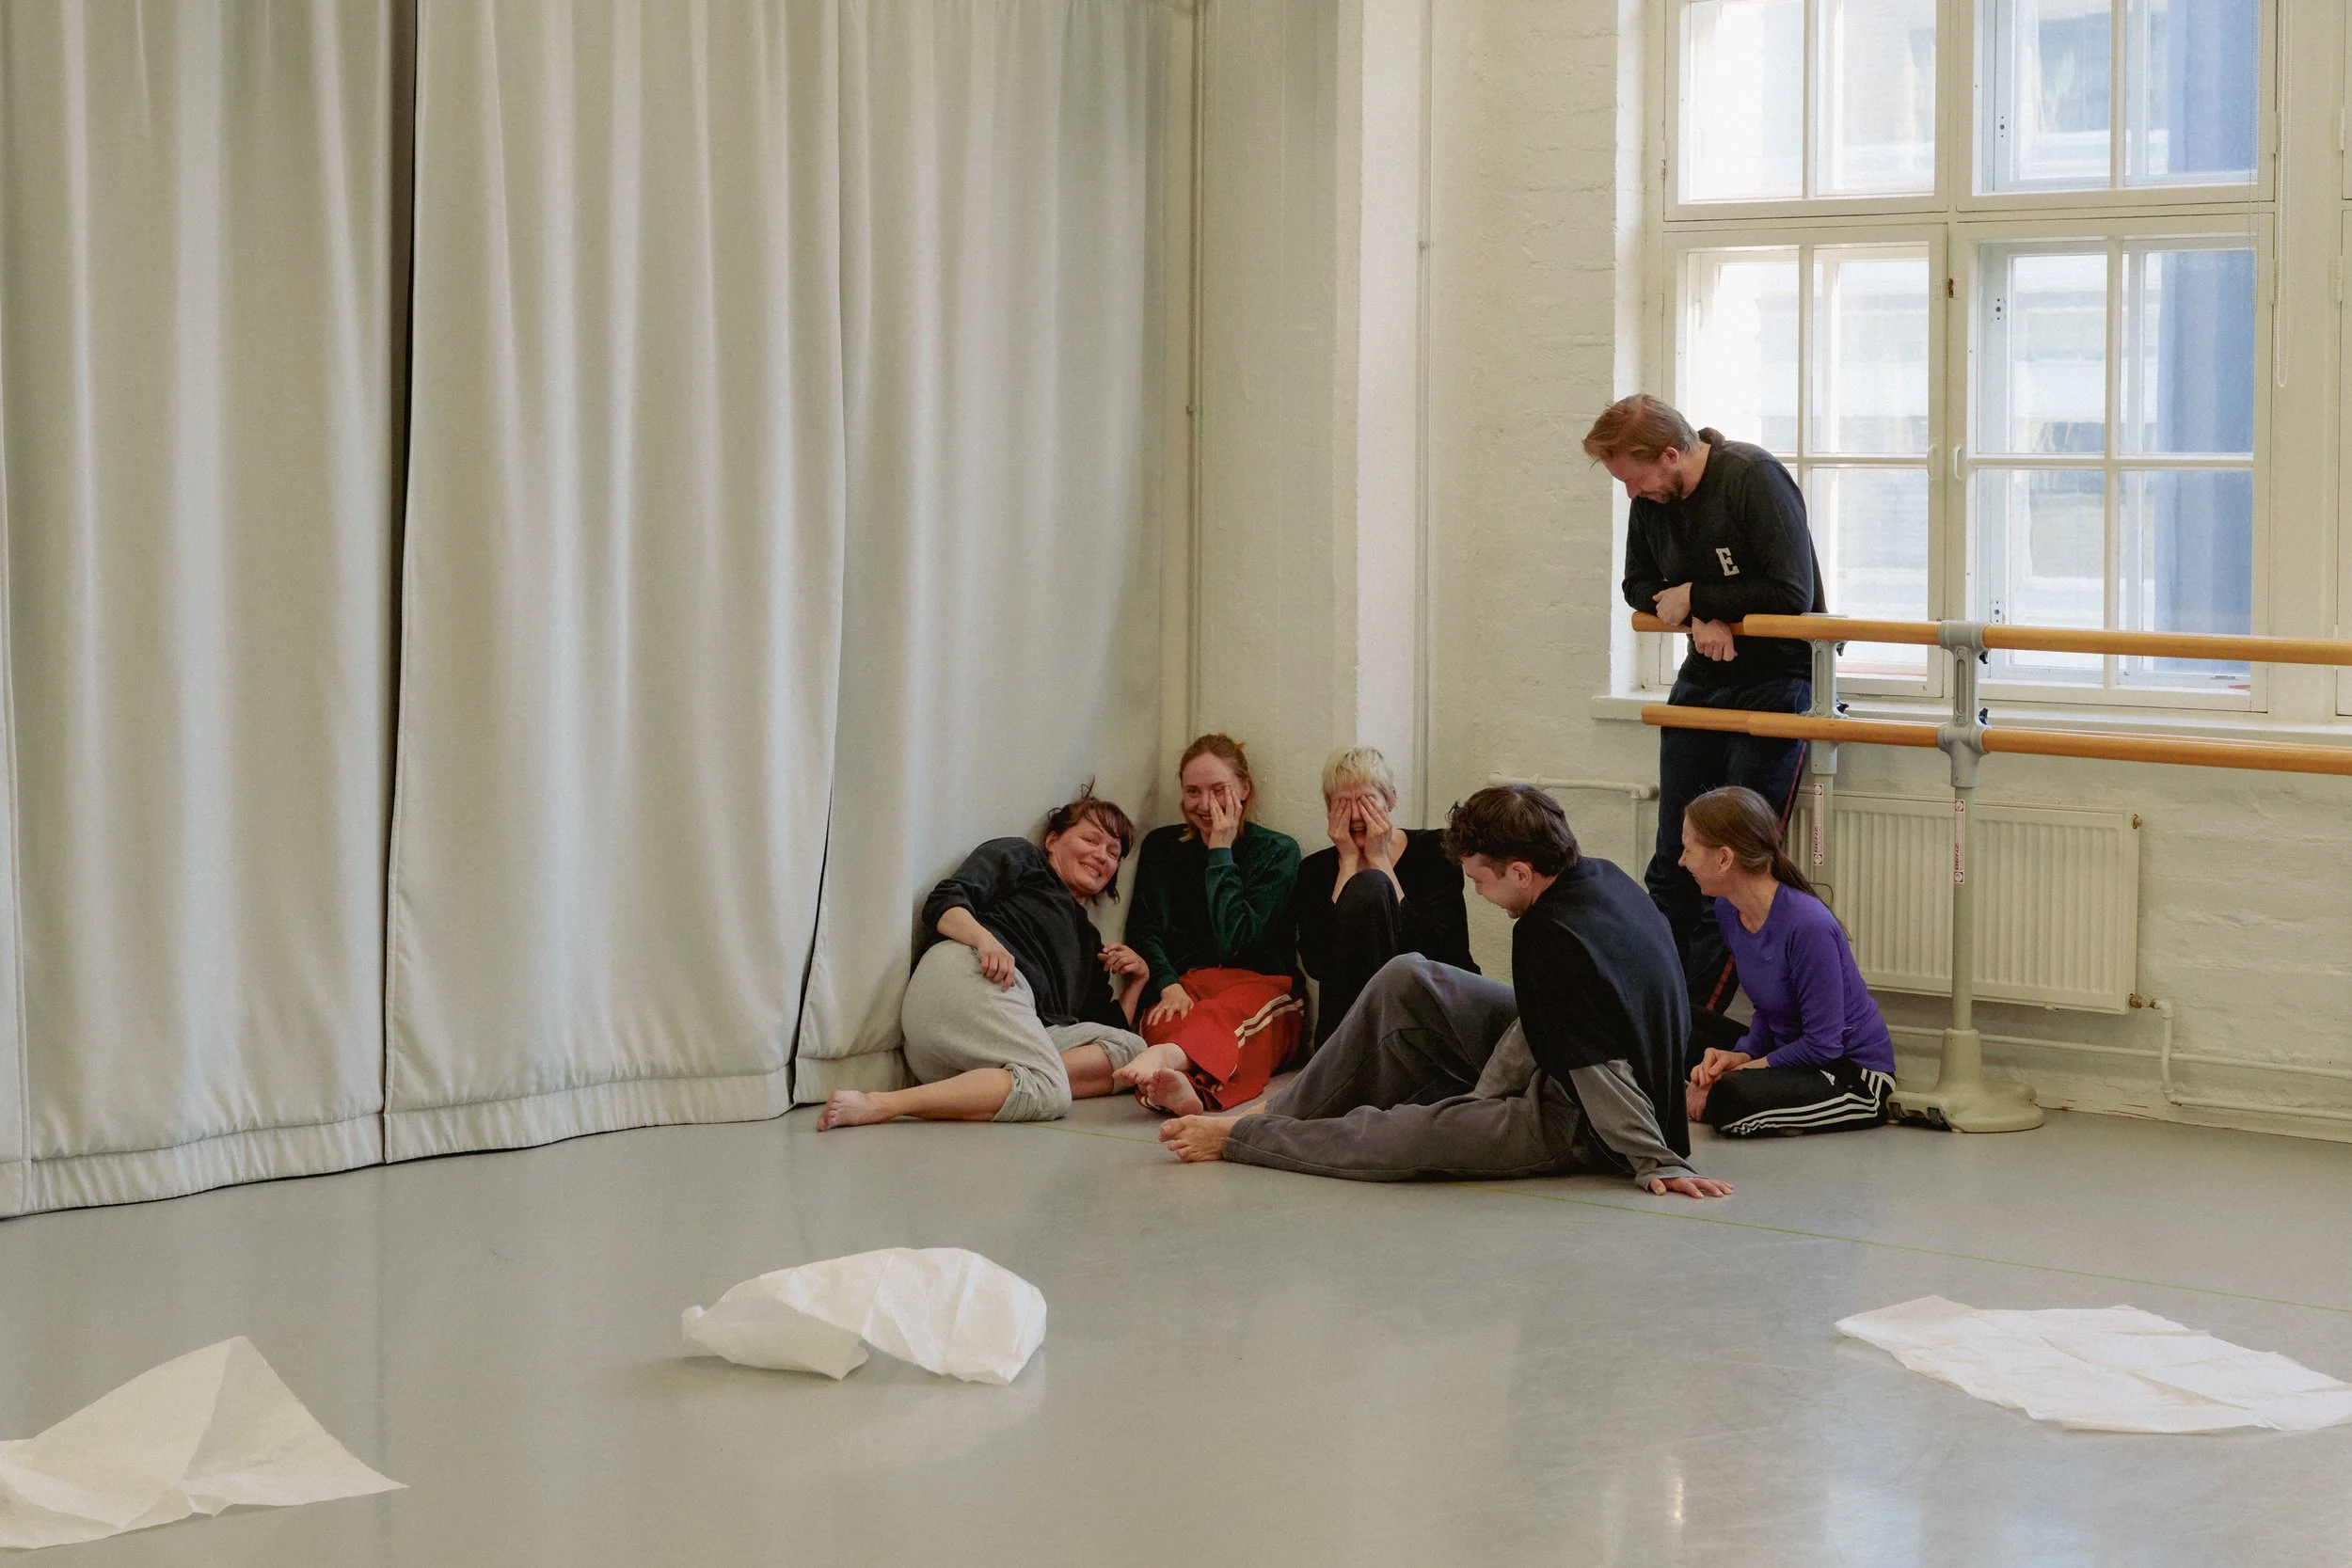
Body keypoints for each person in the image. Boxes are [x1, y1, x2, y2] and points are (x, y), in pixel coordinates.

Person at [1158, 784, 1731, 1200]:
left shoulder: (1553, 936)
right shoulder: (1599, 877)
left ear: (1521, 872)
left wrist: (1654, 1158)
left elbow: (1598, 1067)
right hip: (1568, 1068)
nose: (1477, 891)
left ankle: (1245, 1138)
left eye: (1480, 878)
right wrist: (1484, 1098)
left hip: (1588, 1122)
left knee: (1404, 1132)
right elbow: (1550, 1021)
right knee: (1409, 975)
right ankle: (1274, 1113)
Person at [1590, 393, 1825, 1017]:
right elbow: (1638, 585)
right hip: (1703, 676)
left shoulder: (1752, 477)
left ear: (1671, 455)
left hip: (1776, 677)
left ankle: (1693, 1021)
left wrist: (1701, 596)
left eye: (1634, 479)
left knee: (1728, 865)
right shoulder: (1651, 501)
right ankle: (1654, 1011)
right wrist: (1700, 613)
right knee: (1674, 863)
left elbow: (1791, 591)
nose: (1631, 494)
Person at [817, 787, 1152, 1129]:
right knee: (1050, 1089)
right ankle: (883, 1104)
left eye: (1113, 852)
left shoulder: (1089, 939)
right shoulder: (1023, 857)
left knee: (1134, 1052)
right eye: (1090, 840)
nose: (1101, 856)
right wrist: (985, 941)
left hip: (1003, 1035)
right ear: (1052, 841)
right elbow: (943, 902)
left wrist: (1138, 980)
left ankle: (999, 1082)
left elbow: (1105, 1026)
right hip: (973, 975)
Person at [1678, 787, 1895, 1136]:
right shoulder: (1728, 910)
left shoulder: (1809, 925)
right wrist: (1742, 1055)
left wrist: (1740, 1072)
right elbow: (1769, 1008)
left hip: (1848, 1072)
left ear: (1723, 859)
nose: (1681, 861)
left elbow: (1824, 1045)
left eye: (1688, 849)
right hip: (1785, 1052)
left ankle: (1724, 1096)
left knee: (1728, 1098)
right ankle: (1725, 1093)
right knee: (1674, 1017)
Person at [1118, 734, 1304, 1117]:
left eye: (1219, 790)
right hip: (1185, 985)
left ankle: (1170, 1063)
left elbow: (1236, 943)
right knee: (1166, 1021)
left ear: (1244, 788)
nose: (1205, 805)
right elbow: (1144, 929)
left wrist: (1220, 850)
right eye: (1193, 792)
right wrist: (1168, 985)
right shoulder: (1162, 847)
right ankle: (1185, 1089)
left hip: (1261, 987)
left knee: (1222, 1017)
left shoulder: (1277, 852)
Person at [1292, 745, 1476, 1048]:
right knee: (1367, 887)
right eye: (1342, 804)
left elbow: (1439, 955)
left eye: (1366, 801)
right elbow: (1318, 965)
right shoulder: (1315, 870)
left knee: (1374, 885)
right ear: (1328, 809)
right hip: (1348, 1027)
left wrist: (1380, 861)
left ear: (1390, 799)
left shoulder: (1436, 851)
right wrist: (1348, 864)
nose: (1355, 815)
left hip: (1429, 1014)